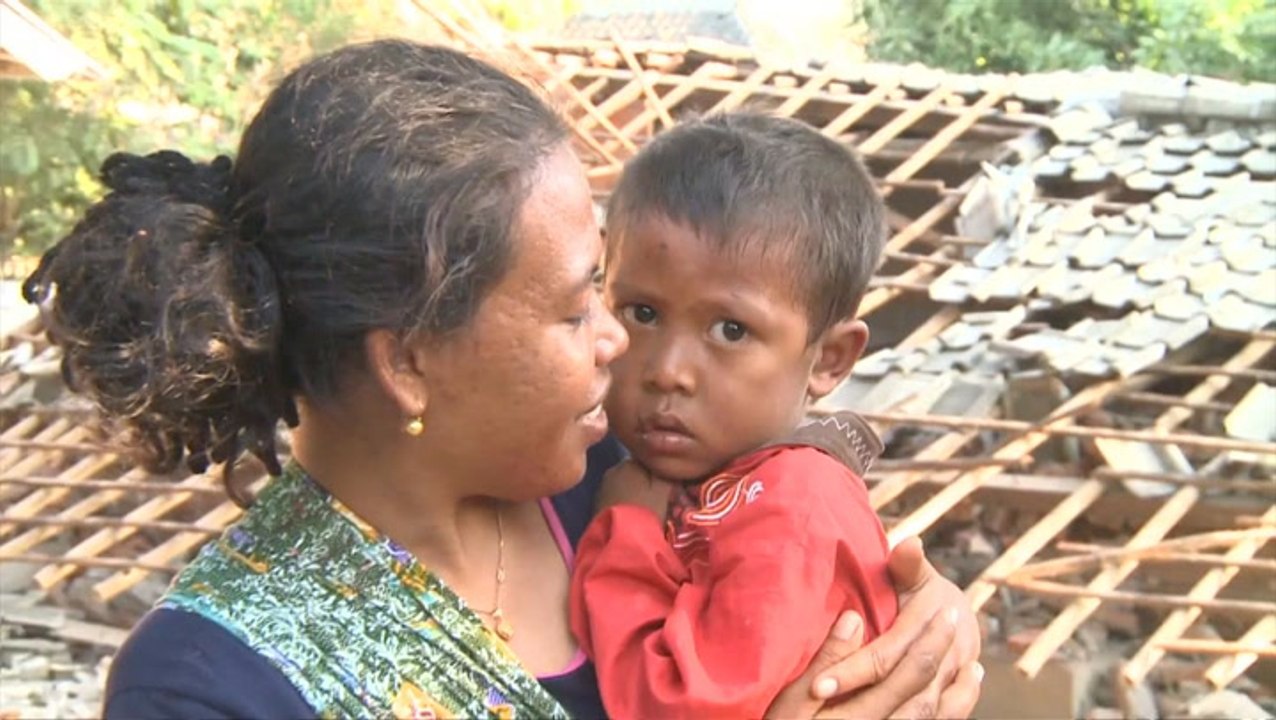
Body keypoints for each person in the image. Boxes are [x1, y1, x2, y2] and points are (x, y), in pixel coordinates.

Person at [24, 39, 982, 719]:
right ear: (408, 362)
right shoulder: (214, 683)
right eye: (577, 310)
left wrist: (918, 636)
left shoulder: (621, 480)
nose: (622, 345)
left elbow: (804, 583)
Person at [570, 113, 902, 719]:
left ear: (829, 359)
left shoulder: (793, 509)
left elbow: (680, 709)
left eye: (730, 329)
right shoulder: (723, 480)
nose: (668, 370)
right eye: (641, 313)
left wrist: (624, 535)